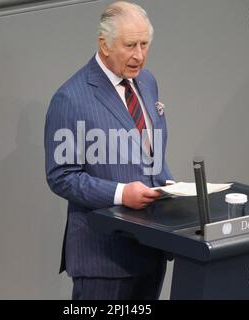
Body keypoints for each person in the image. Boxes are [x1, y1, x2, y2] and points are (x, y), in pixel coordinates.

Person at [44, 1, 174, 300]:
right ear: (104, 45)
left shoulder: (148, 81)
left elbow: (150, 152)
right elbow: (61, 176)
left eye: (144, 44)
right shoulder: (71, 98)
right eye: (130, 45)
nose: (139, 55)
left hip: (150, 248)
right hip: (103, 259)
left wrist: (170, 187)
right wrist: (120, 194)